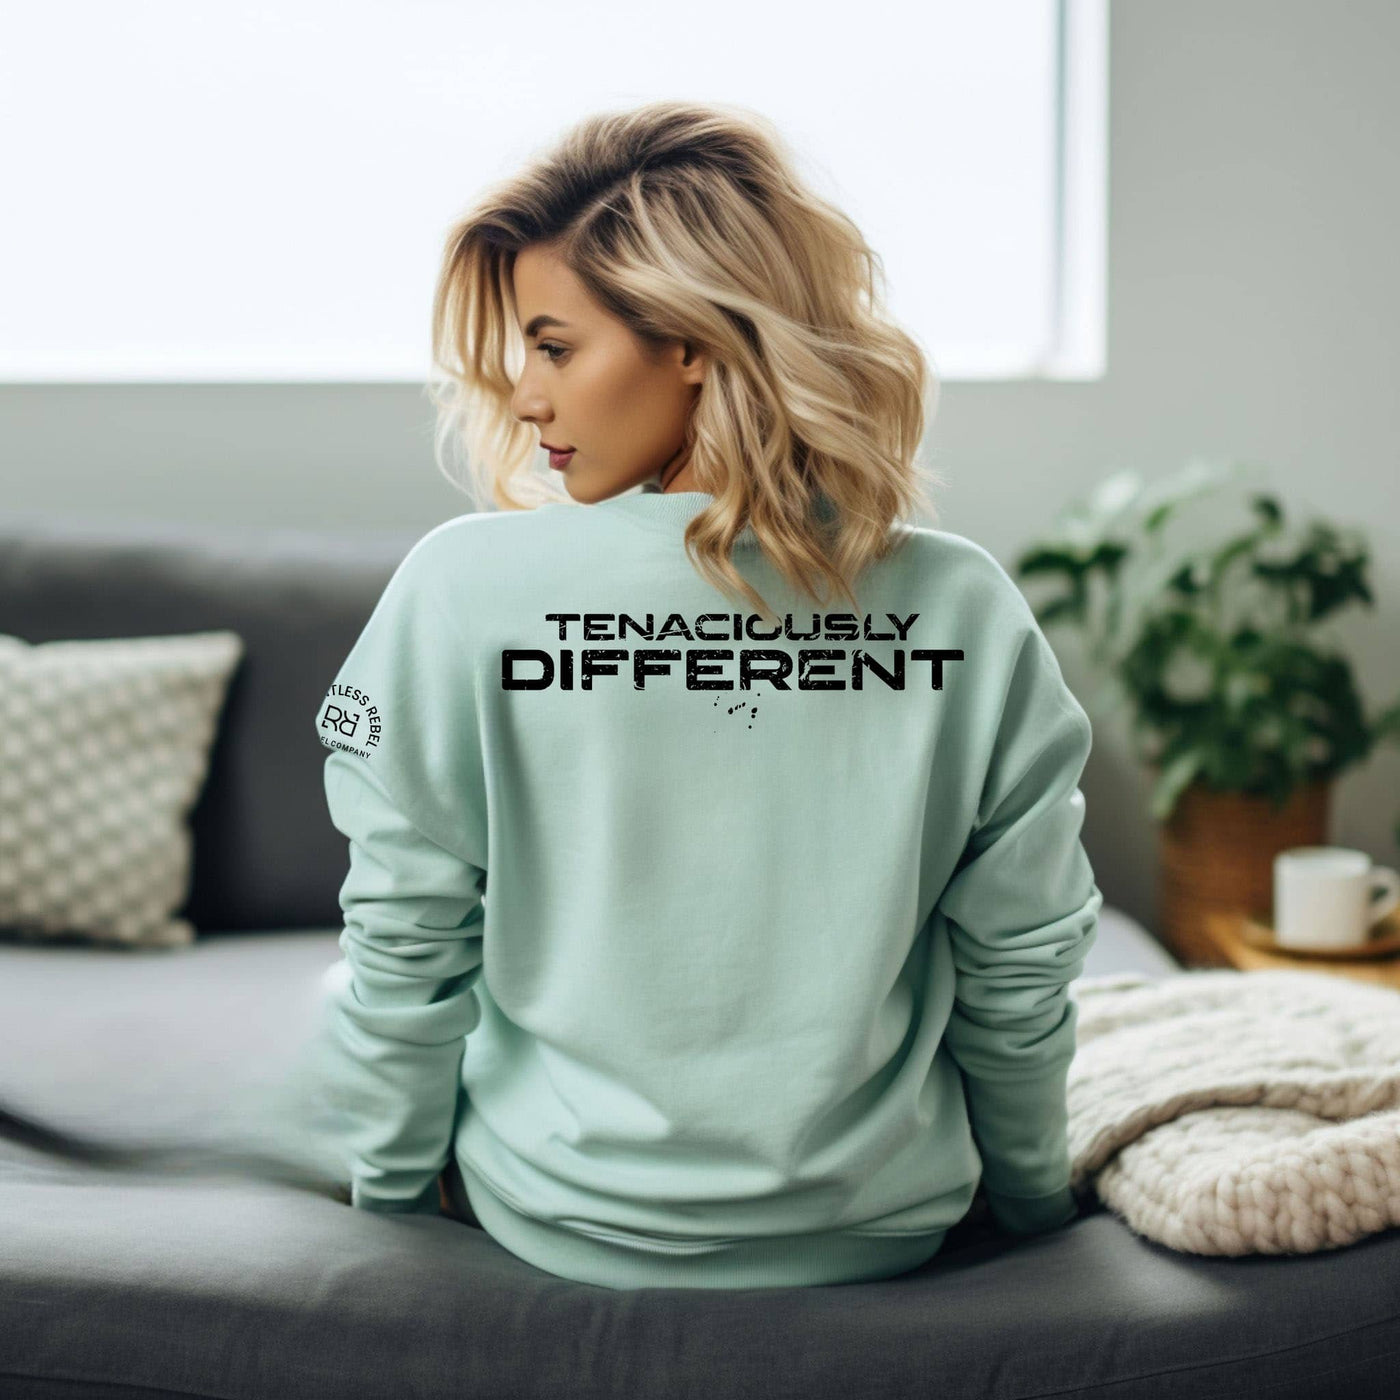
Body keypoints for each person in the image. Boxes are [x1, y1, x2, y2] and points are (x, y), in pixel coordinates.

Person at [310, 98, 1103, 1290]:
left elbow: (403, 947)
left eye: (554, 347)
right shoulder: (963, 607)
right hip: (880, 1222)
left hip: (561, 1216)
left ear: (689, 339)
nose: (523, 397)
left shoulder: (458, 587)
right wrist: (1036, 1205)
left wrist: (388, 1197)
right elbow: (1018, 965)